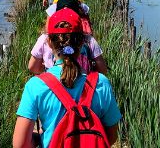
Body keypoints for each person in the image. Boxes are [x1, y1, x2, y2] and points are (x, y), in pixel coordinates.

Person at [14, 8, 121, 148]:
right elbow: (111, 137)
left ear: (49, 43)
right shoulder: (101, 83)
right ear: (82, 43)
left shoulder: (35, 86)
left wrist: (41, 138)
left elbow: (20, 145)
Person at [29, 0, 106, 74]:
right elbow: (102, 69)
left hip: (51, 82)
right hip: (84, 83)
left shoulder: (44, 39)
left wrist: (45, 72)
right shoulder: (88, 40)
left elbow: (32, 67)